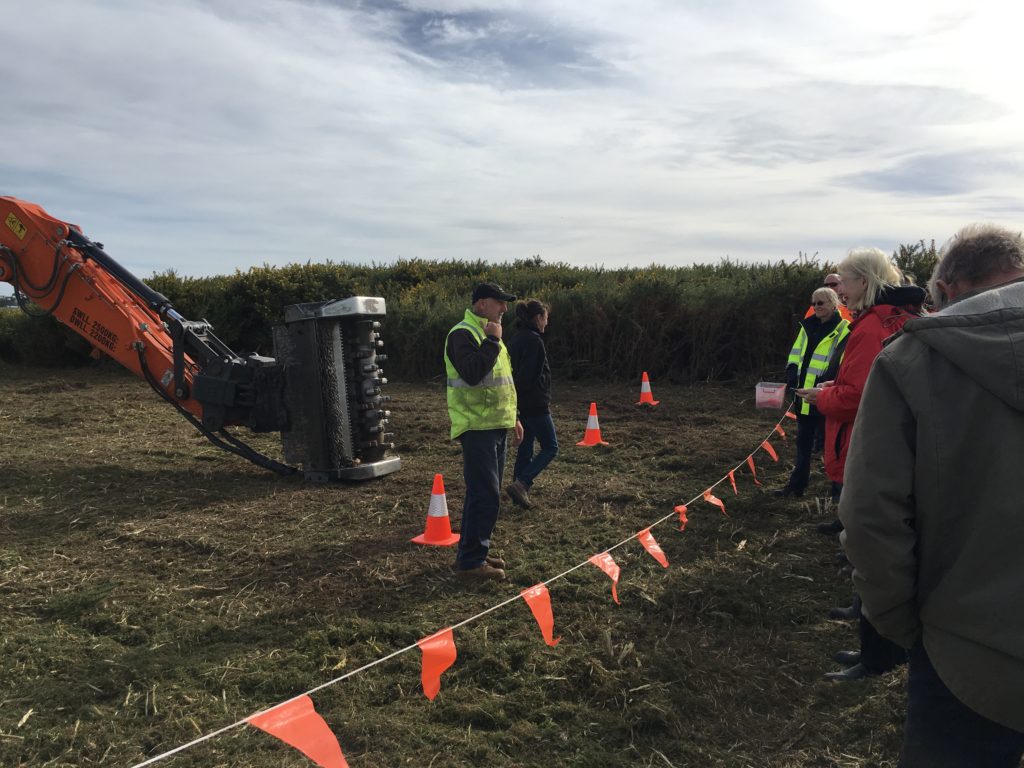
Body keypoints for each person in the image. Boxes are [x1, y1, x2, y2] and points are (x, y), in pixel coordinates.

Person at [840, 224, 1024, 766]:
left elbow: (873, 517)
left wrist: (901, 624)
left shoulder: (910, 359)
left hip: (966, 656)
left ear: (945, 289)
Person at [796, 247, 925, 682]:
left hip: (868, 447)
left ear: (864, 282)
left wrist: (823, 396)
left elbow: (859, 399)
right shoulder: (893, 318)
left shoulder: (870, 328)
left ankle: (878, 657)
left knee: (873, 543)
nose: (840, 290)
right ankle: (881, 643)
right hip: (892, 447)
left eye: (845, 282)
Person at [444, 282, 524, 582]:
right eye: (498, 302)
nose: (504, 308)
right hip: (476, 427)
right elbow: (473, 373)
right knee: (486, 496)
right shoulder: (463, 334)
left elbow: (502, 382)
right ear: (480, 305)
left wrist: (513, 418)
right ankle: (471, 563)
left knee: (482, 495)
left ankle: (473, 553)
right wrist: (491, 341)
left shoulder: (491, 334)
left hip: (495, 425)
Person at [776, 286, 849, 497]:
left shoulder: (845, 329)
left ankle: (838, 494)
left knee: (832, 448)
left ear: (834, 304)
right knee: (803, 444)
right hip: (803, 397)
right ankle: (797, 486)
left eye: (821, 302)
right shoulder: (806, 327)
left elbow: (843, 365)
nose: (816, 307)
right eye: (814, 303)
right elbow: (795, 354)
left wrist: (826, 386)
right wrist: (791, 374)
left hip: (826, 398)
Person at [506, 298, 558, 509]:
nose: (547, 322)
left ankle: (518, 491)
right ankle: (522, 483)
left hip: (521, 403)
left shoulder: (516, 339)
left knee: (526, 447)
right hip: (535, 404)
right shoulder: (535, 341)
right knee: (551, 447)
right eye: (546, 318)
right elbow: (529, 376)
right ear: (538, 318)